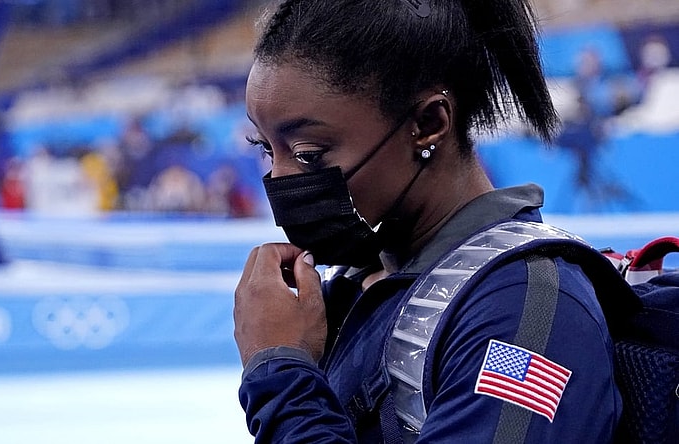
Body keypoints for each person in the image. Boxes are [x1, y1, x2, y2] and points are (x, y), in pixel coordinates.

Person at [233, 0, 623, 443]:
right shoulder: (358, 285)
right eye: (265, 148)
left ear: (428, 123)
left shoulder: (523, 314)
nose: (279, 180)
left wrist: (281, 372)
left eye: (308, 155)